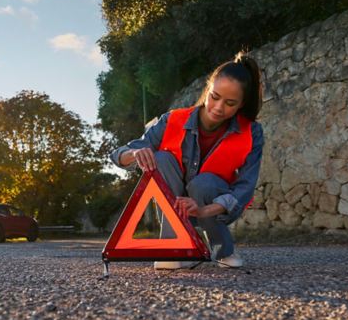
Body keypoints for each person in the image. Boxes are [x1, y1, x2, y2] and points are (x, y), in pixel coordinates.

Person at [110, 51, 264, 269]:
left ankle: (223, 250)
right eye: (215, 97)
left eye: (230, 103)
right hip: (173, 203)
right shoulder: (172, 119)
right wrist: (134, 154)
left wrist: (203, 211)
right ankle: (173, 248)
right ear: (208, 89)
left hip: (214, 206)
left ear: (241, 104)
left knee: (204, 183)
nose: (218, 108)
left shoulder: (252, 133)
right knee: (161, 158)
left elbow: (244, 188)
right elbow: (118, 154)